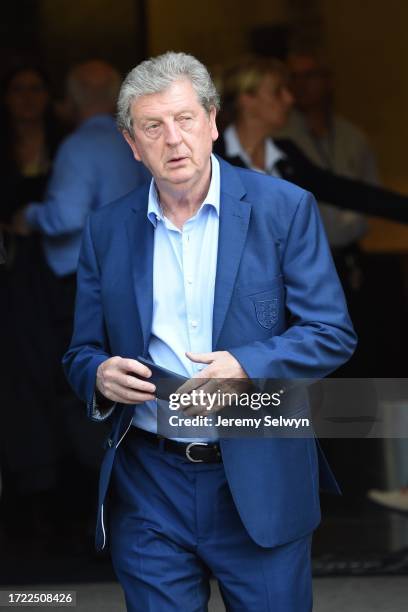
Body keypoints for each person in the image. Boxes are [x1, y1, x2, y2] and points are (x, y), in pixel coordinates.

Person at [63, 51, 356, 611]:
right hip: (149, 481)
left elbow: (331, 332)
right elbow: (80, 350)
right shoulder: (106, 230)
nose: (173, 140)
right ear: (132, 142)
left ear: (214, 122)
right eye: (153, 126)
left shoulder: (284, 209)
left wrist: (247, 365)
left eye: (185, 119)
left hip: (259, 474)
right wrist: (98, 374)